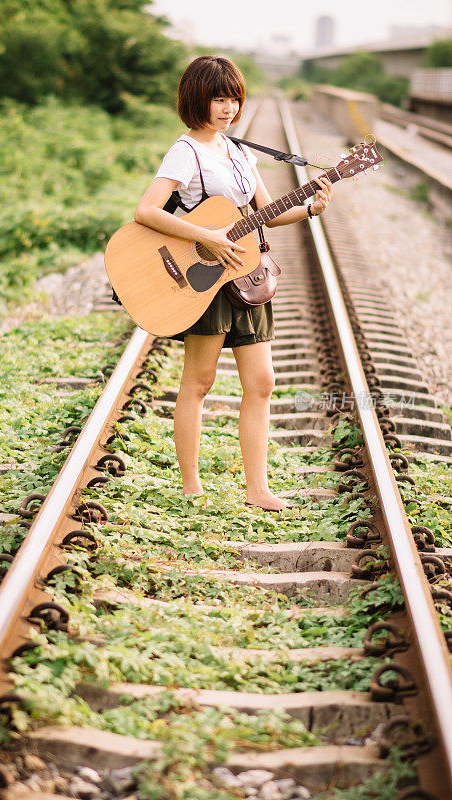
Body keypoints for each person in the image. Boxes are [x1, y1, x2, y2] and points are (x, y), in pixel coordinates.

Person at [134, 55, 332, 510]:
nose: (228, 108)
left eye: (233, 99)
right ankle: (191, 486)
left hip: (247, 273)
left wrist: (311, 208)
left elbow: (267, 211)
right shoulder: (186, 151)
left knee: (262, 382)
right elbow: (146, 211)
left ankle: (257, 489)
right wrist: (208, 236)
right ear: (196, 100)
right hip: (204, 276)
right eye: (218, 98)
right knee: (199, 382)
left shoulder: (240, 151)